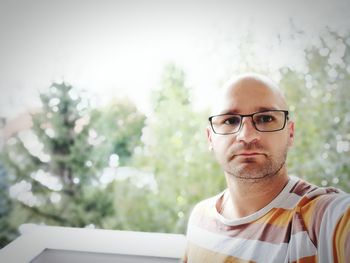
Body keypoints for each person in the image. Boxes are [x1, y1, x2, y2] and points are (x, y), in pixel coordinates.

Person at [183, 73, 350, 263]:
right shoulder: (199, 218)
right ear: (210, 138)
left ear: (290, 133)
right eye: (230, 120)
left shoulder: (321, 218)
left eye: (265, 118)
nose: (246, 136)